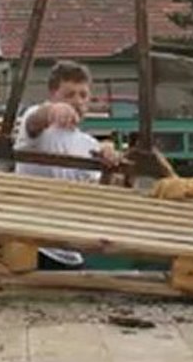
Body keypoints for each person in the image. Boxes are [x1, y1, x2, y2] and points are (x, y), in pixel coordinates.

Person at [14, 60, 121, 270]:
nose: (77, 101)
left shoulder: (89, 144)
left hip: (72, 250)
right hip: (35, 247)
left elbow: (99, 198)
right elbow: (35, 120)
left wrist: (110, 164)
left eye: (83, 95)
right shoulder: (37, 125)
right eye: (69, 95)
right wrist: (53, 110)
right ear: (53, 95)